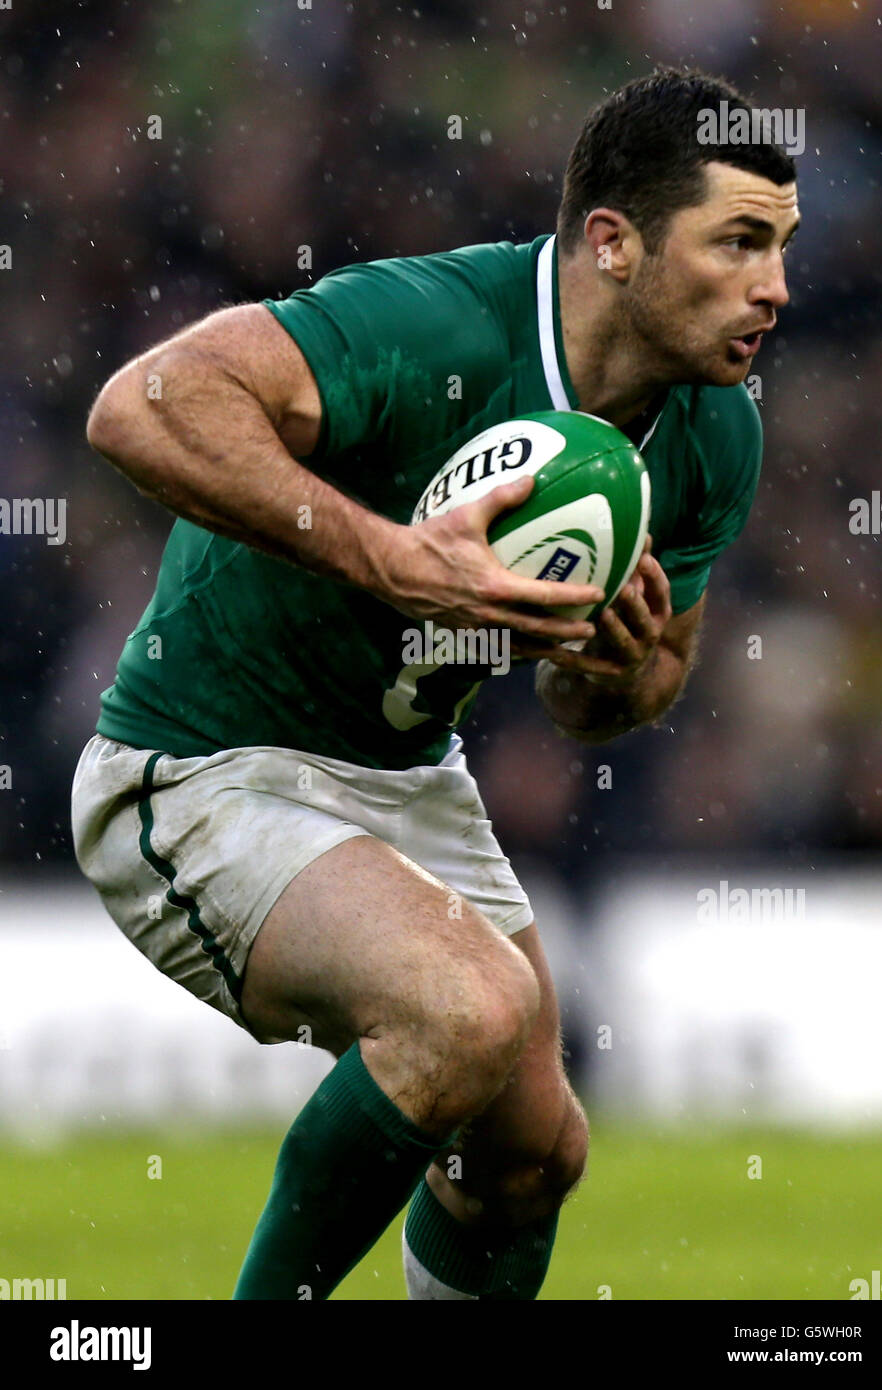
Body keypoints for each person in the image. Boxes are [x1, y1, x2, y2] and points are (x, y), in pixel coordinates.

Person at [71, 65, 799, 1300]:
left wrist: (612, 672)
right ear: (613, 245)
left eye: (782, 247)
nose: (775, 288)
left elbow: (618, 697)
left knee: (535, 1150)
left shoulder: (713, 429)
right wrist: (394, 560)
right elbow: (139, 407)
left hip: (405, 776)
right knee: (464, 1009)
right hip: (203, 763)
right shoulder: (438, 324)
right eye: (738, 243)